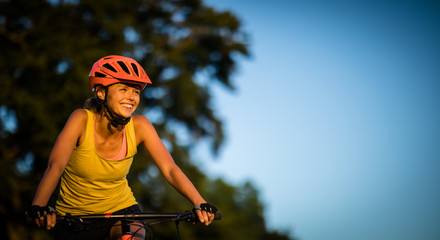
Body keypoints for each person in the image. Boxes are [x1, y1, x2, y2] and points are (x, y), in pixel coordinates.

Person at [26, 55, 217, 240]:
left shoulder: (140, 126)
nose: (131, 97)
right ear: (101, 92)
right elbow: (56, 165)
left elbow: (170, 169)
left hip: (122, 212)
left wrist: (199, 202)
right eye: (123, 89)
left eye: (136, 91)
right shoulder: (81, 120)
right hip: (75, 219)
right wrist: (39, 206)